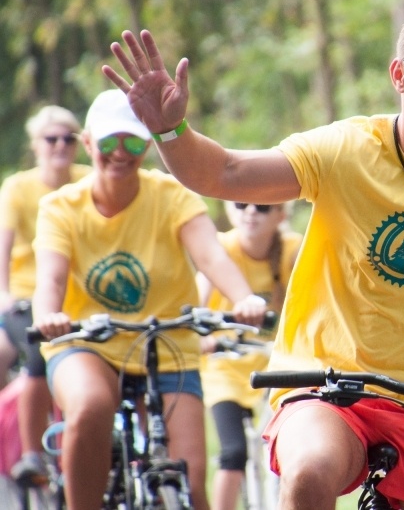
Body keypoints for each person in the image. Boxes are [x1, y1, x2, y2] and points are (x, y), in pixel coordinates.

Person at [103, 2, 404, 510]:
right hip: (330, 387)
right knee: (311, 470)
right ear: (400, 77)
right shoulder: (348, 149)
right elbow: (224, 173)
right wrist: (170, 131)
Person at [30, 89, 268, 510]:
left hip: (167, 342)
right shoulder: (60, 207)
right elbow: (50, 278)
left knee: (191, 480)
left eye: (134, 141)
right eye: (108, 142)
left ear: (147, 145)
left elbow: (211, 254)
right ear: (88, 143)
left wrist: (244, 297)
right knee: (89, 406)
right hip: (87, 343)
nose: (121, 153)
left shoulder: (171, 195)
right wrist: (49, 315)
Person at [0, 105, 91, 485]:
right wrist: (3, 294)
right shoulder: (18, 188)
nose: (60, 146)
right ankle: (31, 454)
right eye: (51, 139)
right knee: (37, 353)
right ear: (36, 146)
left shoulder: (90, 180)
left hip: (80, 298)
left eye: (68, 139)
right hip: (25, 297)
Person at [198, 200, 301, 510]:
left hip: (275, 367)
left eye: (263, 207)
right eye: (242, 204)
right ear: (230, 211)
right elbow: (197, 304)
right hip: (224, 367)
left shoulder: (293, 250)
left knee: (289, 449)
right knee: (233, 453)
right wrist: (202, 337)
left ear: (281, 215)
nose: (251, 212)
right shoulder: (222, 248)